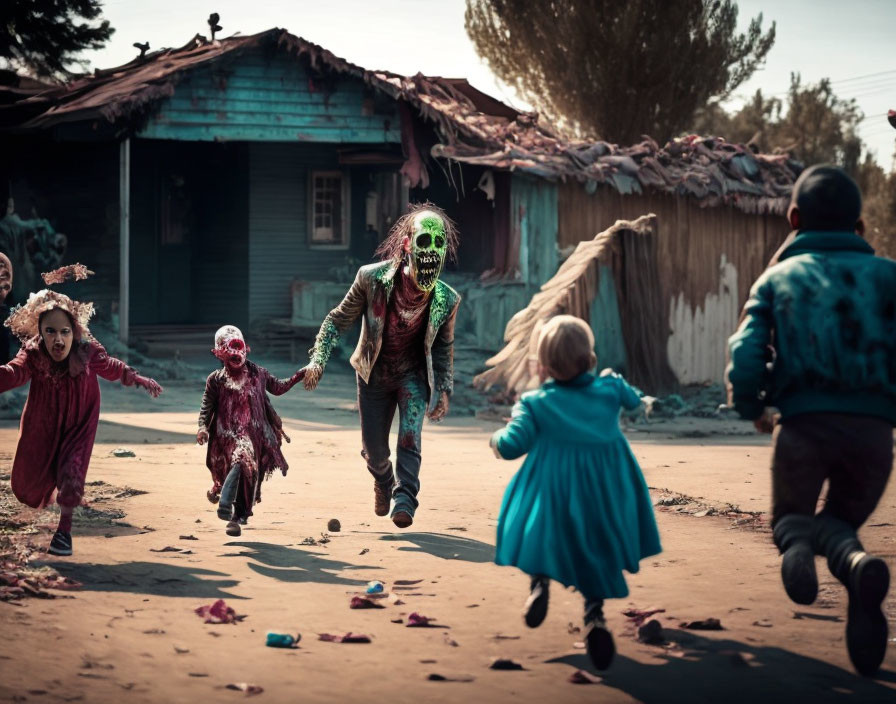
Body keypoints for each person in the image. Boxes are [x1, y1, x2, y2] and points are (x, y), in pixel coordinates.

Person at [727, 164, 896, 677]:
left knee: (792, 520)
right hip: (873, 434)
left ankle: (797, 548)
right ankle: (855, 564)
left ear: (794, 217)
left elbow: (747, 349)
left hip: (802, 427)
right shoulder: (890, 276)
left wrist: (751, 405)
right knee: (840, 522)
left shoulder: (779, 277)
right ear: (861, 227)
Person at [489, 315, 661, 671]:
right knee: (596, 547)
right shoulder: (610, 389)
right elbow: (635, 402)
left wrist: (496, 440)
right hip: (604, 489)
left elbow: (512, 445)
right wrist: (641, 399)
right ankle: (595, 616)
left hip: (551, 487)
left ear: (544, 366)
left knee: (541, 535)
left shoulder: (535, 402)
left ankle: (539, 585)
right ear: (590, 360)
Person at [301, 203, 460, 529]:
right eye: (424, 243)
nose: (432, 252)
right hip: (373, 375)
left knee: (410, 439)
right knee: (374, 452)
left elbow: (443, 347)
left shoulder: (446, 299)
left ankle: (405, 500)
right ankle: (383, 480)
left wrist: (443, 388)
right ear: (407, 245)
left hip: (413, 376)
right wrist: (317, 359)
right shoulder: (371, 279)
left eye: (438, 243)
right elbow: (336, 321)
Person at [0, 265, 162, 556]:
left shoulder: (87, 351)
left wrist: (138, 378)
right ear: (40, 332)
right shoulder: (33, 353)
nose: (58, 340)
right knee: (24, 487)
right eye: (50, 332)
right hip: (43, 423)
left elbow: (112, 367)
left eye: (64, 332)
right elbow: (13, 373)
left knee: (71, 473)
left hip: (80, 421)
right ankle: (51, 498)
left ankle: (64, 532)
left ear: (74, 332)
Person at [197, 325, 304, 537]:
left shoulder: (258, 374)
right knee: (232, 468)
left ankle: (231, 511)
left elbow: (278, 387)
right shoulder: (216, 380)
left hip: (253, 435)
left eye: (240, 350)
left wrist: (300, 375)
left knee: (244, 463)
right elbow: (206, 407)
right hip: (224, 436)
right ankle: (226, 500)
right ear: (220, 354)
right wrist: (202, 427)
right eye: (230, 353)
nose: (236, 357)